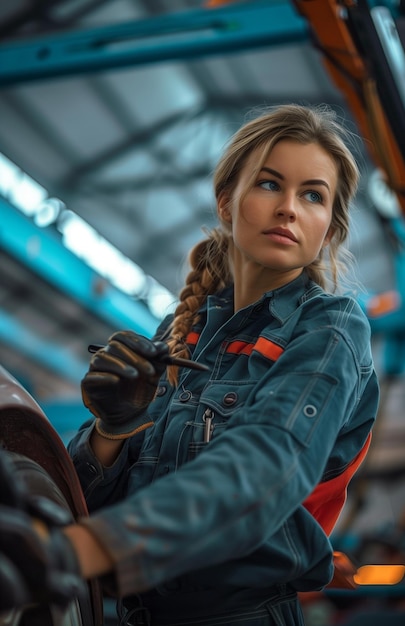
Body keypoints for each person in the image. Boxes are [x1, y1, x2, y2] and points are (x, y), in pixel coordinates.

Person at [0, 103, 379, 625]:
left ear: (328, 229)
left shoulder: (330, 328)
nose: (289, 208)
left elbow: (264, 466)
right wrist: (112, 431)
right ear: (228, 202)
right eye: (270, 185)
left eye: (312, 195)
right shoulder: (181, 332)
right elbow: (81, 499)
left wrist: (79, 550)